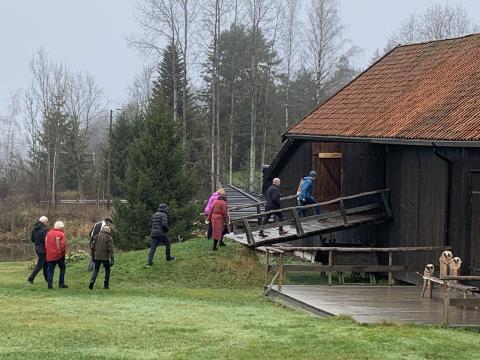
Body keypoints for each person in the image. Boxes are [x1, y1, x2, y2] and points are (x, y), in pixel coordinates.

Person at [89, 225, 114, 290]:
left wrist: (92, 256)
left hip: (97, 256)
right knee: (107, 271)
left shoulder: (96, 236)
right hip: (105, 257)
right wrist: (112, 259)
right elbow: (110, 249)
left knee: (96, 270)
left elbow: (92, 247)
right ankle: (106, 285)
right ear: (108, 231)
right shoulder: (109, 237)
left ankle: (92, 281)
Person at [45, 221, 68, 289]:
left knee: (50, 270)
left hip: (50, 255)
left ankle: (50, 285)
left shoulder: (48, 233)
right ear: (60, 227)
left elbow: (46, 244)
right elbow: (63, 245)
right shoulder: (61, 234)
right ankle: (61, 283)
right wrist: (63, 253)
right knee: (62, 268)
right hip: (59, 255)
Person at [27, 216, 49, 285]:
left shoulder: (34, 228)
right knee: (40, 265)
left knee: (45, 263)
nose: (47, 223)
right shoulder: (45, 229)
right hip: (43, 249)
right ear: (43, 221)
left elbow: (32, 240)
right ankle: (30, 279)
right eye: (46, 222)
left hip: (37, 248)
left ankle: (47, 279)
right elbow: (45, 241)